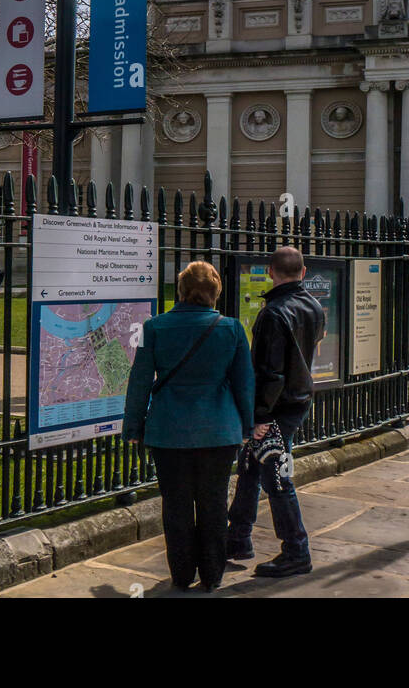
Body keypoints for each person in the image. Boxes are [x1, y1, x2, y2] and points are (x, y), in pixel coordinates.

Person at [123, 260, 253, 592]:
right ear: (215, 292)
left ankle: (181, 573)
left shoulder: (154, 328)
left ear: (180, 290)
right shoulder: (232, 329)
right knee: (213, 502)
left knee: (176, 504)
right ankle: (212, 573)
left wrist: (133, 427)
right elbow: (243, 384)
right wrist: (247, 426)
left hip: (169, 430)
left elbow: (139, 381)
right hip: (219, 429)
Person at [227, 245, 326, 579]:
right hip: (297, 400)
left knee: (277, 478)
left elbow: (270, 373)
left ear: (270, 272)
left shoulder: (273, 313)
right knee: (250, 466)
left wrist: (260, 417)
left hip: (277, 408)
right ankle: (237, 537)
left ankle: (296, 550)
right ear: (302, 272)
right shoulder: (313, 305)